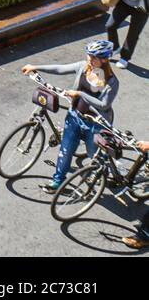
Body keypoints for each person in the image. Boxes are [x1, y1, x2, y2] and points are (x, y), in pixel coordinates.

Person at [23, 40, 120, 193]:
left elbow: (104, 105)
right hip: (74, 116)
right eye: (89, 55)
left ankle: (110, 173)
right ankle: (57, 181)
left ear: (104, 59)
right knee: (65, 150)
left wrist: (80, 94)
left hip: (94, 125)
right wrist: (35, 67)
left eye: (94, 57)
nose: (90, 59)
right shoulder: (83, 67)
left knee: (93, 155)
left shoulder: (112, 82)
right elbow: (61, 68)